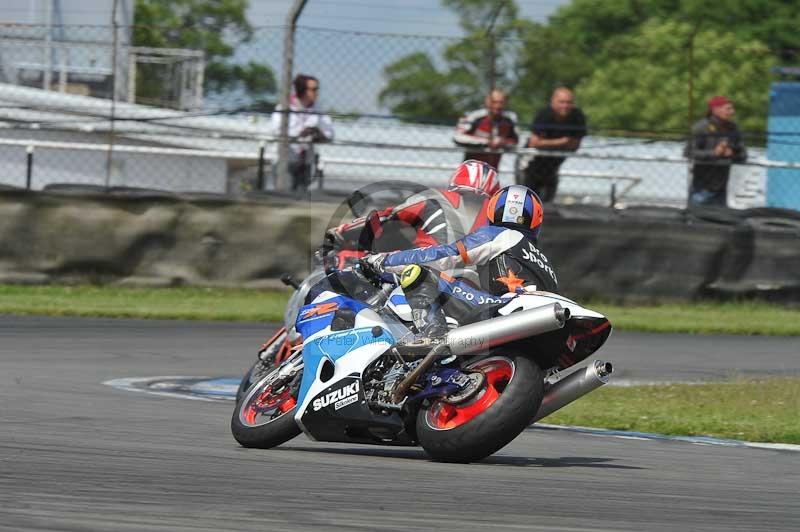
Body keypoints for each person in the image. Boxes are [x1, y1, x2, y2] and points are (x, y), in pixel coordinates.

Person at [362, 185, 557, 338]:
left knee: (420, 275)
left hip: (503, 309)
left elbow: (444, 256)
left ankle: (433, 339)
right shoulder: (543, 260)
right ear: (536, 220)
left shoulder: (497, 234)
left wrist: (383, 259)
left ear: (492, 211)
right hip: (540, 323)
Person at [325, 160, 501, 266]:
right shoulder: (499, 218)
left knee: (353, 261)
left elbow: (387, 216)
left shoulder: (436, 197)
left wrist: (341, 231)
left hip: (424, 269)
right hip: (476, 286)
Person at [270, 74, 334, 191]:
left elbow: (330, 134)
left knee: (301, 199)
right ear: (302, 90)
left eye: (317, 89)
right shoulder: (284, 107)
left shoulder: (319, 110)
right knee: (285, 196)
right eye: (314, 89)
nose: (317, 92)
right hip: (286, 160)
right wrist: (299, 134)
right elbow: (276, 132)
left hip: (306, 162)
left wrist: (317, 133)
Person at [522, 87, 587, 202]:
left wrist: (546, 143)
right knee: (527, 200)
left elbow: (575, 145)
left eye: (569, 103)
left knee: (547, 202)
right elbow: (534, 143)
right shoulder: (544, 114)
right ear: (553, 102)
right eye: (562, 102)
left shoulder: (577, 116)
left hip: (553, 167)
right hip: (530, 164)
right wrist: (562, 142)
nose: (565, 106)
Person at [684, 95, 747, 206]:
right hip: (701, 188)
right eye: (728, 108)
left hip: (721, 190)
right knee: (694, 220)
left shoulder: (733, 128)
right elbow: (688, 152)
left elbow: (743, 155)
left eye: (732, 108)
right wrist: (714, 153)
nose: (732, 112)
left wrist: (732, 154)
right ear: (715, 110)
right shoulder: (701, 127)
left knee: (719, 222)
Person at [453, 89, 519, 169]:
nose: (497, 106)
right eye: (494, 102)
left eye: (501, 102)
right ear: (487, 101)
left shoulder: (510, 119)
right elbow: (458, 137)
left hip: (493, 170)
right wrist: (486, 142)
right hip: (471, 169)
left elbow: (515, 141)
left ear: (506, 103)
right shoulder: (474, 116)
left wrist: (502, 142)